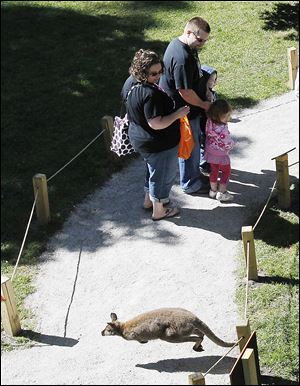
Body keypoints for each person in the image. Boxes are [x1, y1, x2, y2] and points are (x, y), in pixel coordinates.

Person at [121, 49, 190, 221]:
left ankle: (148, 201)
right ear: (142, 72)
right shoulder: (150, 94)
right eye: (153, 73)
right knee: (162, 175)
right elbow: (155, 123)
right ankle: (159, 210)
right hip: (158, 143)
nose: (158, 76)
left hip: (140, 138)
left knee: (152, 170)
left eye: (161, 71)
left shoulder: (130, 83)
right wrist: (177, 114)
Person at [159, 16, 212, 194]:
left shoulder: (186, 46)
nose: (202, 44)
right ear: (188, 32)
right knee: (191, 145)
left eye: (205, 40)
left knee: (194, 143)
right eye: (200, 40)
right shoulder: (181, 57)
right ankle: (191, 183)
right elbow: (185, 92)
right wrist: (204, 104)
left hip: (190, 107)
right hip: (185, 111)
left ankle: (194, 174)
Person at [204, 99, 234, 202]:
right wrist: (232, 145)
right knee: (226, 171)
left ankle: (213, 191)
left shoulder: (209, 121)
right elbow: (227, 142)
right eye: (225, 116)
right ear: (217, 115)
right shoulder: (223, 128)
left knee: (214, 170)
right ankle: (222, 192)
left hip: (211, 151)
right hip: (221, 154)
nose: (227, 119)